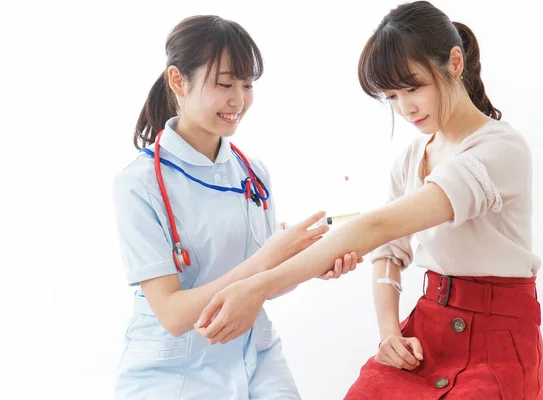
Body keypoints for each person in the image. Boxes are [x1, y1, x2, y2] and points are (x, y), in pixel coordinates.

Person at [195, 2, 543, 399]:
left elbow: (376, 227)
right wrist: (389, 333)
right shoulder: (412, 159)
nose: (405, 107)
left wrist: (257, 287)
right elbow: (387, 251)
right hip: (427, 331)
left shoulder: (498, 149)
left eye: (414, 88)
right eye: (392, 95)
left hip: (496, 341)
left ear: (454, 62)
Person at [112, 15, 360, 400]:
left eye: (246, 85)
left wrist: (311, 263)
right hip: (172, 370)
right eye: (225, 84)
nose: (239, 100)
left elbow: (265, 284)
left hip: (254, 355)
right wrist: (269, 259)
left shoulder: (251, 171)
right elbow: (174, 316)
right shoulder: (140, 184)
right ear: (178, 81)